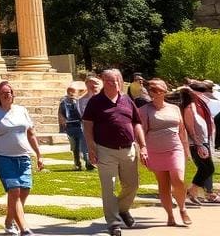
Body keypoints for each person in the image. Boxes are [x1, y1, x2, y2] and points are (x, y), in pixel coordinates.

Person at [82, 68, 149, 236]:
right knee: (109, 188)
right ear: (104, 82)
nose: (116, 83)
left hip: (128, 149)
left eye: (118, 80)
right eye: (111, 81)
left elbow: (137, 123)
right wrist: (91, 147)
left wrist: (143, 145)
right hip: (105, 150)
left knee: (132, 185)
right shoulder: (95, 102)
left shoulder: (127, 100)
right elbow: (88, 125)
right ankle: (113, 223)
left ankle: (122, 209)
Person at [0, 81, 44, 236]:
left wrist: (39, 154)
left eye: (8, 92)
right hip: (3, 158)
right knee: (14, 191)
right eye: (2, 92)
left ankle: (9, 221)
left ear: (13, 94)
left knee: (24, 190)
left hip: (23, 157)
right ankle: (24, 229)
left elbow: (31, 133)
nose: (6, 94)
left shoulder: (21, 110)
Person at [139, 79, 190, 226]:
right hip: (155, 150)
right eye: (151, 90)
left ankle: (182, 208)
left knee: (178, 180)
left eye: (156, 90)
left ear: (164, 91)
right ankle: (170, 216)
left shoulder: (174, 108)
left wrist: (186, 149)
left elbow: (182, 130)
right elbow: (140, 132)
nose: (153, 93)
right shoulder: (144, 110)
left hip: (175, 148)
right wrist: (142, 149)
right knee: (163, 185)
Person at [180, 85, 217, 204]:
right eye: (201, 92)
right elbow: (190, 129)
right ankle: (190, 191)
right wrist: (198, 144)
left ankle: (191, 191)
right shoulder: (189, 108)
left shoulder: (201, 106)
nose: (204, 95)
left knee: (206, 168)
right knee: (208, 168)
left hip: (204, 141)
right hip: (196, 144)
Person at [58, 84, 88, 170]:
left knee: (84, 146)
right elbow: (61, 114)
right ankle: (77, 164)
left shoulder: (80, 101)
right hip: (70, 126)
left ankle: (88, 162)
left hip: (80, 126)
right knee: (75, 147)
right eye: (69, 91)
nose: (71, 93)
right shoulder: (64, 101)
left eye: (73, 92)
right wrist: (63, 125)